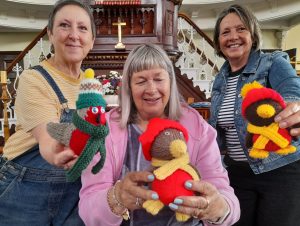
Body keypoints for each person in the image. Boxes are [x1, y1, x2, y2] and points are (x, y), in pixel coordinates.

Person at [78, 43, 240, 226]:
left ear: (170, 82)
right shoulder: (104, 131)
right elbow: (88, 209)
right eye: (140, 81)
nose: (151, 89)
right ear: (129, 88)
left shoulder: (198, 128)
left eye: (158, 79)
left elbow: (225, 197)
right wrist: (116, 197)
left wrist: (219, 209)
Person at [0, 0, 95, 225]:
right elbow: (48, 135)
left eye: (82, 28)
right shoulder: (34, 79)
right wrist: (58, 152)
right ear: (50, 35)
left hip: (75, 191)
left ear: (92, 40)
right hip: (25, 189)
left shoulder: (91, 86)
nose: (74, 34)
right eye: (64, 25)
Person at [209, 4, 300, 226]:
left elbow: (292, 90)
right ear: (218, 41)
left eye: (241, 29)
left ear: (252, 34)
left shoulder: (272, 62)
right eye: (225, 32)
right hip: (237, 175)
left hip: (280, 171)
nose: (233, 37)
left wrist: (295, 107)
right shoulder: (220, 79)